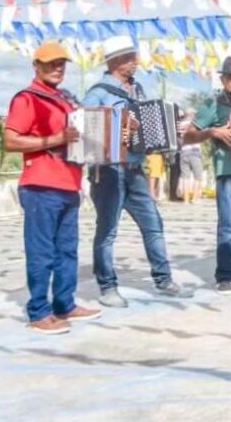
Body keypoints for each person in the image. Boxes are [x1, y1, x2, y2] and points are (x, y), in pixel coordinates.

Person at [4, 41, 102, 335]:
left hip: (69, 185)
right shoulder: (27, 99)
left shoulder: (66, 100)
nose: (57, 68)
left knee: (67, 251)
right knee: (42, 252)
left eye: (61, 63)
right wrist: (56, 139)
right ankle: (38, 311)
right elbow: (11, 141)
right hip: (40, 186)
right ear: (36, 66)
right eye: (50, 63)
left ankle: (64, 304)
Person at [83, 36, 183, 308]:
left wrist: (154, 133)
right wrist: (120, 130)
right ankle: (107, 287)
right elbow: (87, 132)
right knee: (108, 231)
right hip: (107, 172)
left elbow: (145, 123)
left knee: (154, 225)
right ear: (115, 61)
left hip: (136, 168)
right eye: (130, 58)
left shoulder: (137, 90)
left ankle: (164, 280)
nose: (135, 62)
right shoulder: (98, 92)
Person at [183, 56, 231, 293]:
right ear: (223, 79)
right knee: (228, 225)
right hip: (228, 171)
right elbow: (188, 135)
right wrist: (213, 132)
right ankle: (224, 275)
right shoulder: (213, 105)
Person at [178, 113, 204, 204]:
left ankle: (186, 200)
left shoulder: (180, 124)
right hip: (195, 151)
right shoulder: (196, 123)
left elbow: (179, 137)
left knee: (185, 177)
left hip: (184, 151)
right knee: (198, 176)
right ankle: (195, 198)